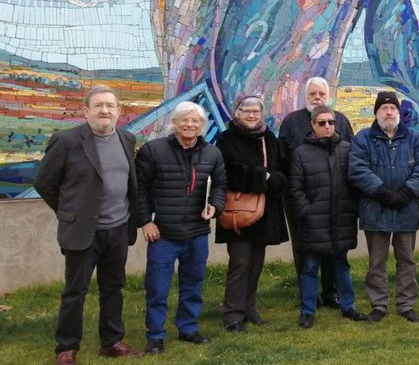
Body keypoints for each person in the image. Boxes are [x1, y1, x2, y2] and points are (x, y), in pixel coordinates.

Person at [34, 85, 143, 365]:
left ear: (119, 111)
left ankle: (112, 341)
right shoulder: (67, 141)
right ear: (86, 111)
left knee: (114, 287)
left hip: (118, 229)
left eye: (110, 105)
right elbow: (44, 183)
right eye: (98, 105)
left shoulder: (127, 139)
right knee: (75, 292)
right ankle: (66, 348)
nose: (105, 110)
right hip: (83, 232)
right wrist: (69, 212)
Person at [136, 102, 227, 353]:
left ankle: (188, 328)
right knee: (157, 288)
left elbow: (220, 185)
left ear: (202, 126)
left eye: (195, 121)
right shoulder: (152, 150)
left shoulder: (212, 153)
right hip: (163, 234)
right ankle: (155, 335)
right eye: (184, 120)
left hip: (197, 233)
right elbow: (138, 189)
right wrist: (145, 221)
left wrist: (214, 206)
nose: (189, 125)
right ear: (173, 123)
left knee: (193, 284)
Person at [349, 91, 419, 323]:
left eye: (393, 108)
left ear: (399, 113)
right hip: (376, 209)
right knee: (377, 261)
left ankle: (406, 305)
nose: (388, 112)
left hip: (406, 208)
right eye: (384, 108)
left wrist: (406, 191)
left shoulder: (415, 139)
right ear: (376, 113)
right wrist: (381, 192)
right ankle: (379, 305)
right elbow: (357, 170)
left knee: (406, 260)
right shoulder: (363, 139)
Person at [215, 94, 289, 333]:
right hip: (239, 210)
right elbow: (227, 172)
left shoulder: (269, 138)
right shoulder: (226, 139)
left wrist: (274, 179)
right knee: (240, 262)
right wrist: (261, 176)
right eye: (246, 111)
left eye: (256, 111)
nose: (251, 115)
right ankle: (232, 314)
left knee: (256, 262)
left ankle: (249, 308)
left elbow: (282, 170)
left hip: (265, 211)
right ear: (237, 113)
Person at [278, 76, 353, 308]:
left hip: (334, 202)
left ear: (328, 95)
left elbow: (353, 159)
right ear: (306, 96)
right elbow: (282, 162)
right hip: (300, 201)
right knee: (304, 251)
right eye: (313, 94)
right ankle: (308, 296)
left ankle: (331, 293)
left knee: (335, 250)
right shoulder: (291, 122)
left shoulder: (340, 120)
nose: (317, 97)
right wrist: (299, 203)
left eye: (321, 93)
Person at [289, 105, 367, 328]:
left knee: (341, 265)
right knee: (310, 266)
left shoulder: (347, 149)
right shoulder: (301, 153)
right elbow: (295, 189)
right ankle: (307, 310)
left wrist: (352, 209)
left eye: (331, 122)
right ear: (312, 124)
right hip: (314, 221)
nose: (327, 126)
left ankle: (348, 306)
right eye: (322, 123)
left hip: (341, 219)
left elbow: (355, 184)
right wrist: (307, 212)